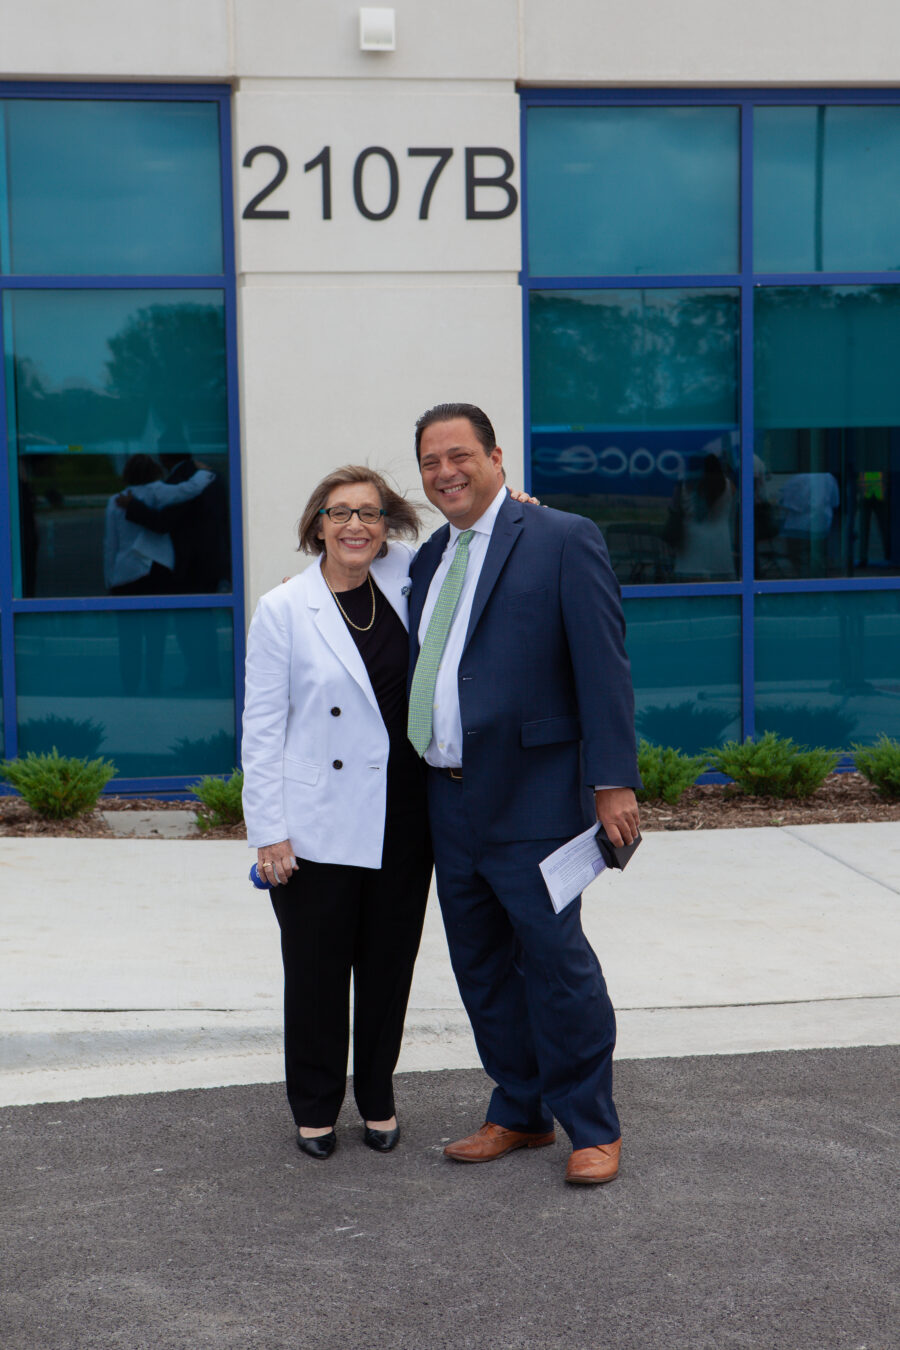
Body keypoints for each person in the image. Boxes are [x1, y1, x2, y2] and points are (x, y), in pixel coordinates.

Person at [408, 402, 641, 1186]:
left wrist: (613, 784)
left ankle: (592, 1126)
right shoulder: (428, 558)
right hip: (450, 800)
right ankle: (519, 1109)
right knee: (479, 966)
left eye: (459, 455)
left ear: (496, 457)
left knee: (555, 962)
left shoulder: (561, 538)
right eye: (431, 463)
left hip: (537, 797)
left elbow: (604, 667)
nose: (446, 472)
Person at [240, 466, 433, 1160]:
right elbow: (261, 727)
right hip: (315, 825)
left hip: (404, 818)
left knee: (388, 970)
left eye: (371, 513)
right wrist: (269, 832)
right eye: (341, 512)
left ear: (390, 525)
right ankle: (315, 1106)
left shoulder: (411, 577)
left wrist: (521, 505)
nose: (357, 525)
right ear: (316, 523)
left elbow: (483, 543)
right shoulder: (284, 608)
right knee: (318, 974)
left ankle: (377, 1096)